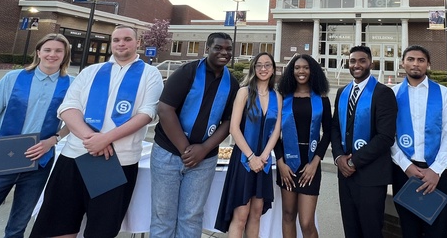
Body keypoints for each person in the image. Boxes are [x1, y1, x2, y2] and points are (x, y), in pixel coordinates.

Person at [30, 25, 163, 238]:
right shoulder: (90, 71)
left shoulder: (150, 74)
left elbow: (147, 113)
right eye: (116, 39)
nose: (121, 43)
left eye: (127, 39)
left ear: (137, 43)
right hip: (74, 155)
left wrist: (106, 139)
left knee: (101, 229)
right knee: (57, 223)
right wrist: (91, 139)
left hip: (115, 161)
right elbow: (67, 107)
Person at [150, 32, 240, 238]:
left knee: (191, 216)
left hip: (204, 160)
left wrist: (204, 149)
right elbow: (165, 109)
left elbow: (228, 122)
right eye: (218, 48)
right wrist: (186, 149)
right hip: (168, 153)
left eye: (228, 49)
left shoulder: (231, 84)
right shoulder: (187, 72)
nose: (224, 52)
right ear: (207, 49)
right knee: (163, 215)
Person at [0, 34, 73, 238]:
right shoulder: (14, 78)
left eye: (58, 51)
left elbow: (74, 123)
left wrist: (54, 139)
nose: (52, 54)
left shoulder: (72, 85)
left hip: (39, 162)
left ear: (65, 56)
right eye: (47, 50)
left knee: (19, 224)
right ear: (38, 52)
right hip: (3, 159)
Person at [391, 45, 447, 238]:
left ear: (428, 64)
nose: (415, 64)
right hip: (403, 172)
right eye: (410, 59)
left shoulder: (444, 94)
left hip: (435, 173)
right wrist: (406, 165)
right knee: (409, 230)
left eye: (421, 60)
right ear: (402, 63)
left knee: (438, 230)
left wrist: (435, 170)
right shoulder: (392, 94)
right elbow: (389, 136)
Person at [331, 45, 397, 238]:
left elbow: (385, 137)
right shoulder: (343, 92)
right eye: (352, 61)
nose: (356, 65)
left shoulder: (383, 93)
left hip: (371, 176)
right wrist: (338, 158)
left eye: (362, 60)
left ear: (371, 63)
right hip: (345, 175)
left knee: (370, 230)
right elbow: (335, 127)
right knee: (350, 229)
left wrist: (353, 161)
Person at [215, 52, 282, 237]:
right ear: (254, 68)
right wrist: (251, 157)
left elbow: (276, 130)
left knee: (256, 213)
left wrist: (264, 156)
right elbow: (234, 128)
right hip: (244, 159)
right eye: (259, 65)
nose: (263, 69)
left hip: (264, 160)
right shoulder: (244, 92)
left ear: (273, 69)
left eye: (267, 65)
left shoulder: (277, 96)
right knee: (241, 214)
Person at [275, 54, 332, 238]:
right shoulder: (283, 99)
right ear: (291, 71)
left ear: (312, 71)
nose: (301, 71)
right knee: (288, 215)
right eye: (297, 67)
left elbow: (329, 133)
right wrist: (280, 162)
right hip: (288, 163)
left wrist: (316, 162)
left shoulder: (322, 99)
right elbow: (274, 133)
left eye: (306, 67)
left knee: (306, 222)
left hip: (310, 162)